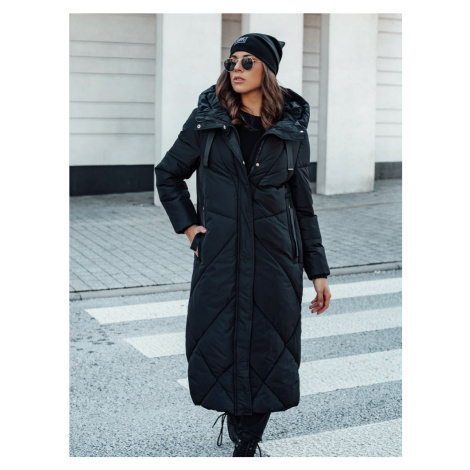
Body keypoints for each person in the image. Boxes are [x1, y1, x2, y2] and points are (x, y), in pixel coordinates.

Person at [155, 33, 332, 457]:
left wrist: (318, 271)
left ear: (266, 71)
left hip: (276, 258)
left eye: (247, 61)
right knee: (220, 342)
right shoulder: (207, 122)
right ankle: (239, 426)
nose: (236, 68)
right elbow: (168, 174)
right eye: (231, 61)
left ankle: (248, 440)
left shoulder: (290, 130)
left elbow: (303, 206)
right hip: (220, 256)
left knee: (270, 348)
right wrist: (191, 229)